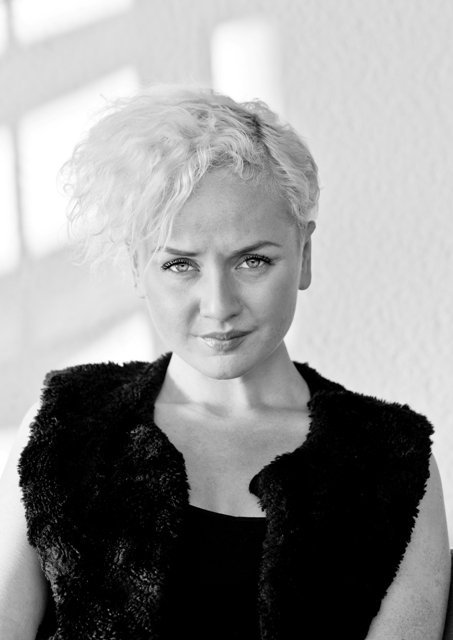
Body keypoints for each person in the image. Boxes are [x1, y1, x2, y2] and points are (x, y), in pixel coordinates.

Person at [0, 85, 450, 640]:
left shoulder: (392, 458)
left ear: (305, 254)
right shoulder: (63, 422)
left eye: (252, 261)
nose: (219, 306)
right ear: (139, 267)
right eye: (180, 265)